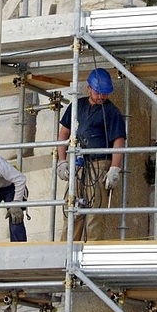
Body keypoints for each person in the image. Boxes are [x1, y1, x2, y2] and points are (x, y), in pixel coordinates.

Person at [56, 67, 126, 242]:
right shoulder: (77, 105)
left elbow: (118, 141)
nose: (101, 96)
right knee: (71, 208)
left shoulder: (111, 112)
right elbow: (63, 134)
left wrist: (115, 168)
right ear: (88, 88)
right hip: (78, 163)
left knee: (95, 211)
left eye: (105, 93)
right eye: (98, 92)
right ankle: (66, 251)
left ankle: (91, 254)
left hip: (100, 164)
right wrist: (62, 161)